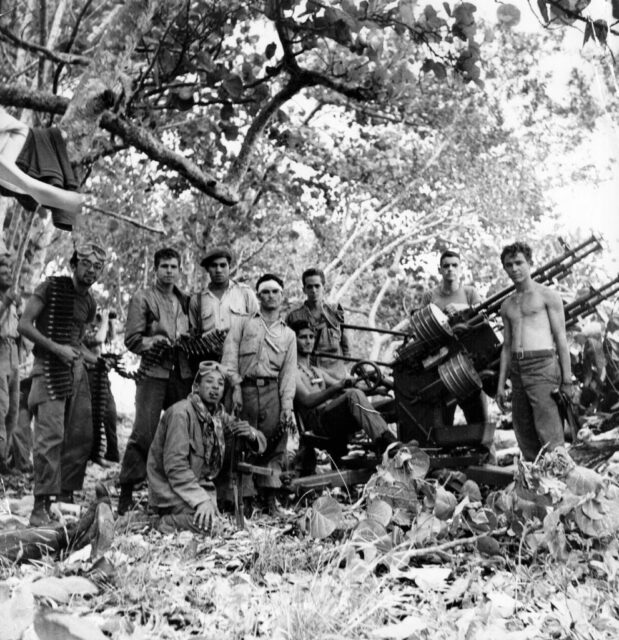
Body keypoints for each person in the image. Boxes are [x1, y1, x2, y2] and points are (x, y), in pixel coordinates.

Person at [18, 243, 105, 525]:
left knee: (74, 438)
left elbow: (76, 343)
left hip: (72, 373)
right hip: (47, 370)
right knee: (49, 439)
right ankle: (40, 505)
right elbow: (24, 325)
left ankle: (60, 498)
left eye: (97, 267)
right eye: (86, 264)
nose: (91, 271)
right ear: (74, 265)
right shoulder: (51, 287)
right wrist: (56, 349)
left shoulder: (89, 302)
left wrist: (96, 360)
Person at [147, 361, 265, 533]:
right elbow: (175, 468)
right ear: (196, 386)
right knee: (213, 526)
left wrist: (251, 434)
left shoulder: (216, 416)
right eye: (209, 381)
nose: (215, 388)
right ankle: (160, 522)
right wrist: (201, 500)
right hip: (169, 491)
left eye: (220, 383)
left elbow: (260, 441)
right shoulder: (181, 414)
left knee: (222, 524)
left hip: (193, 489)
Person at [118, 247, 193, 514]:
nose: (169, 271)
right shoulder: (143, 298)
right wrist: (155, 342)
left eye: (174, 266)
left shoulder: (185, 301)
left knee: (180, 432)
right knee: (144, 432)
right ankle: (126, 491)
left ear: (180, 269)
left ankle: (174, 492)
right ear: (155, 269)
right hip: (153, 374)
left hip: (181, 375)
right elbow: (132, 339)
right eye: (164, 266)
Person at [221, 273, 296, 514]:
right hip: (247, 389)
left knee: (275, 443)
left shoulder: (288, 334)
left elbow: (288, 374)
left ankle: (270, 496)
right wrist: (236, 387)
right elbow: (230, 358)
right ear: (258, 295)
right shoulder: (243, 323)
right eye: (265, 292)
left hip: (272, 391)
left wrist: (287, 407)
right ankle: (244, 498)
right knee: (243, 441)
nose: (270, 296)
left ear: (282, 296)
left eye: (275, 291)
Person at [496, 242, 573, 461]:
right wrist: (501, 385)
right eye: (509, 265)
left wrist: (567, 380)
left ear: (530, 263)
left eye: (519, 262)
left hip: (542, 365)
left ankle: (561, 486)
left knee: (549, 432)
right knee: (524, 433)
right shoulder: (507, 305)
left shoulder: (547, 296)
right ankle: (537, 487)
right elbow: (507, 346)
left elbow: (561, 338)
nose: (515, 269)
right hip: (517, 370)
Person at [292, 320, 399, 474]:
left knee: (391, 404)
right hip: (318, 423)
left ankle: (403, 444)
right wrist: (338, 386)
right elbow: (308, 401)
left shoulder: (316, 371)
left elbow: (349, 386)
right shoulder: (293, 371)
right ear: (293, 340)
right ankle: (387, 444)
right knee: (352, 395)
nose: (308, 341)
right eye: (303, 337)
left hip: (333, 418)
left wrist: (376, 390)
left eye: (311, 337)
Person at [420, 249, 487, 427]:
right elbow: (419, 329)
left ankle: (488, 455)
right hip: (440, 369)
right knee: (441, 424)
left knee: (479, 422)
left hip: (468, 366)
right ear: (440, 270)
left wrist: (460, 309)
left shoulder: (470, 293)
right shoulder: (430, 296)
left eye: (454, 265)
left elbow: (484, 320)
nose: (450, 269)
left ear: (460, 268)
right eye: (446, 266)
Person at [188, 246, 258, 351]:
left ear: (229, 267)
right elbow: (193, 337)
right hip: (209, 359)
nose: (218, 270)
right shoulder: (197, 300)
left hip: (240, 355)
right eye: (214, 266)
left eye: (223, 265)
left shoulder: (245, 293)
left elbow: (258, 328)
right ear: (207, 269)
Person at [286, 267, 349, 378]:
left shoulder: (334, 313)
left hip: (336, 375)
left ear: (323, 287)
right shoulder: (294, 316)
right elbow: (288, 349)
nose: (313, 290)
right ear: (304, 289)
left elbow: (346, 349)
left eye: (317, 286)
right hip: (309, 376)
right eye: (309, 287)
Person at [83, 308, 119, 464]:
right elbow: (98, 339)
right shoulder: (81, 329)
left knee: (110, 413)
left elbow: (110, 337)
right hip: (88, 376)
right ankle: (92, 454)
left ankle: (112, 453)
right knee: (92, 417)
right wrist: (104, 320)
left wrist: (109, 321)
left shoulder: (99, 328)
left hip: (101, 375)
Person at [0, 256, 20, 474]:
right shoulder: (5, 301)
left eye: (9, 273)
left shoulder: (13, 301)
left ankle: (4, 457)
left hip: (13, 352)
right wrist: (5, 303)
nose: (8, 276)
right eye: (4, 273)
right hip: (0, 351)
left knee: (13, 409)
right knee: (1, 406)